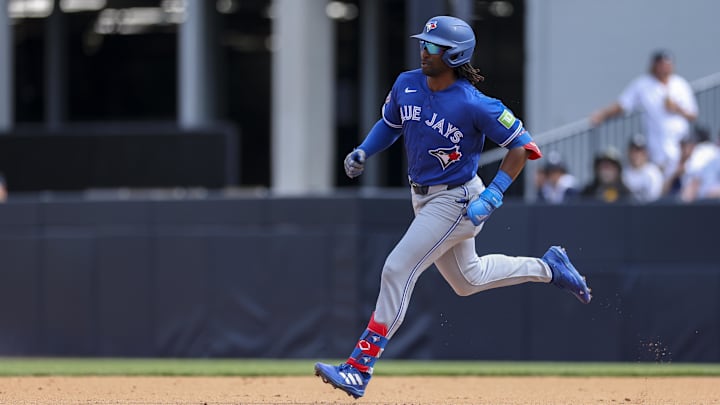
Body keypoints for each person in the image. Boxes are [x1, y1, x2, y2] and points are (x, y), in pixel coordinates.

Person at [314, 16, 592, 400]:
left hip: (456, 200)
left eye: (432, 46)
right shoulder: (406, 83)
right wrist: (364, 149)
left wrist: (493, 195)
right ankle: (550, 267)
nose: (423, 50)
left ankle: (359, 368)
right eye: (424, 43)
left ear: (455, 54)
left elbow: (523, 147)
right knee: (468, 280)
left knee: (397, 268)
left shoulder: (475, 103)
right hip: (423, 196)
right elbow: (390, 124)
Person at [590, 50, 698, 175]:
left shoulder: (680, 84)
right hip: (657, 149)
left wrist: (676, 108)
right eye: (660, 64)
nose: (664, 68)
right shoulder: (643, 84)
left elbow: (693, 114)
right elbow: (623, 104)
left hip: (680, 148)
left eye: (667, 64)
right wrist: (602, 114)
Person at [622, 134, 664, 203]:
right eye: (633, 151)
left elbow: (654, 198)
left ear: (646, 153)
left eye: (639, 151)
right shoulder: (623, 173)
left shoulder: (654, 172)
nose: (636, 155)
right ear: (628, 152)